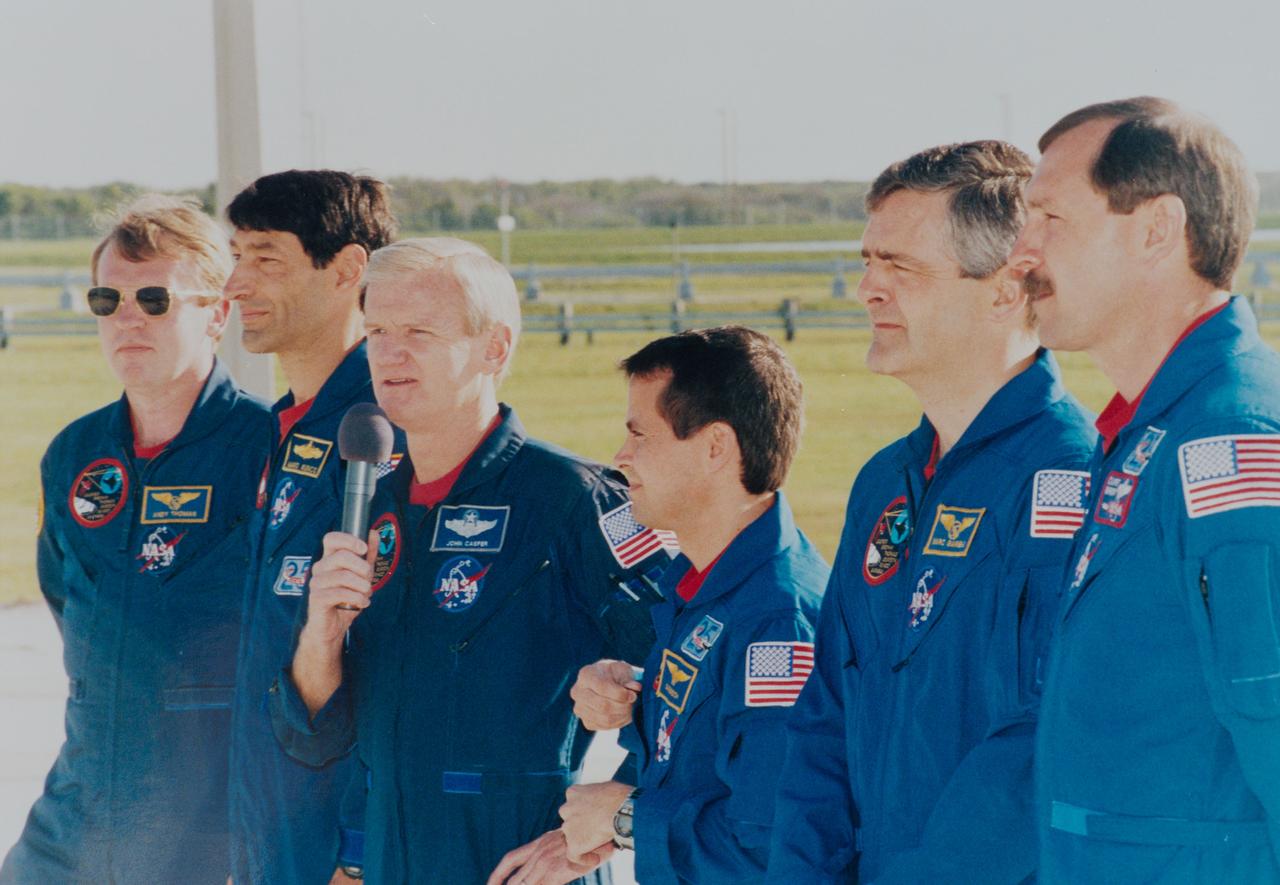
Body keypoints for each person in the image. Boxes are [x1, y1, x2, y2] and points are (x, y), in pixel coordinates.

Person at [268, 238, 674, 884]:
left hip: (517, 866)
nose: (390, 354)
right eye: (378, 331)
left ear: (495, 348)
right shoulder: (363, 500)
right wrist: (320, 634)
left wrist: (607, 823)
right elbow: (313, 735)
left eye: (419, 332)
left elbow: (695, 668)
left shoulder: (572, 497)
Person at [766, 141, 1097, 884]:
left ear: (1006, 290)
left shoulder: (1071, 483)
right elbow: (822, 722)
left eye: (901, 268)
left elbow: (1043, 745)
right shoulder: (883, 483)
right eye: (868, 262)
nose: (867, 290)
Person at [1008, 97, 1280, 883]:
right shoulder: (1148, 432)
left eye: (1050, 217)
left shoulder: (1228, 439)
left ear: (1157, 228)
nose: (1021, 251)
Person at [0, 195, 272, 883]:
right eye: (107, 299)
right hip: (78, 814)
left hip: (213, 825)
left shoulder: (268, 451)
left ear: (217, 313)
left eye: (155, 300)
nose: (127, 318)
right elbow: (68, 602)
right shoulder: (75, 454)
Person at [498, 326, 829, 885]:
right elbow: (702, 752)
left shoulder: (778, 621)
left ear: (715, 447)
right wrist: (637, 691)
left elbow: (774, 845)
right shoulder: (704, 586)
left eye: (640, 435)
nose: (620, 457)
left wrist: (625, 818)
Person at [223, 169, 400, 884]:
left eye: (266, 258)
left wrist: (357, 852)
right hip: (275, 836)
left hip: (341, 853)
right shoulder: (286, 427)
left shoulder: (380, 430)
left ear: (349, 269)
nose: (236, 283)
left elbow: (401, 662)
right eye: (236, 256)